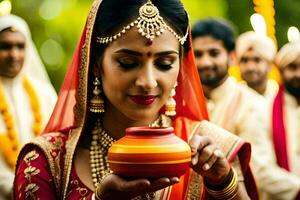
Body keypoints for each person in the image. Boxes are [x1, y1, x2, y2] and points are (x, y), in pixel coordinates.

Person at [14, 1, 258, 199]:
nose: (148, 82)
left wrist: (223, 184)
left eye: (164, 64)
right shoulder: (47, 161)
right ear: (96, 65)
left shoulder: (208, 152)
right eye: (128, 63)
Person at [0, 14, 57, 199]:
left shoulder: (44, 94)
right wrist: (15, 187)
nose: (14, 55)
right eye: (5, 46)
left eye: (20, 46)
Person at [264, 41, 300, 200]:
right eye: (292, 67)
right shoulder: (264, 107)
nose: (298, 74)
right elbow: (263, 169)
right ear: (281, 71)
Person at [236, 31, 278, 103]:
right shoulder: (232, 98)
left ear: (269, 65)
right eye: (244, 60)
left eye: (257, 60)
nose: (250, 67)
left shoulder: (280, 98)